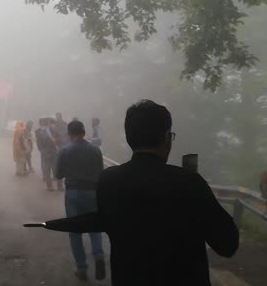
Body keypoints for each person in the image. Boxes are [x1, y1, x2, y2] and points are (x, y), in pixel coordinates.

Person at [36, 100, 239, 286]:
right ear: (167, 138)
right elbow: (227, 245)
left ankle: (82, 266)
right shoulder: (190, 183)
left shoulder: (110, 181)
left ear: (129, 137)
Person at [56, 120, 106, 281]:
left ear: (69, 134)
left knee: (75, 232)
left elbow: (58, 174)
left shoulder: (65, 151)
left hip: (73, 194)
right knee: (94, 227)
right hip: (92, 193)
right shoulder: (95, 150)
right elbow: (101, 173)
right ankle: (98, 254)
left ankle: (82, 268)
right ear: (84, 132)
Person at [35, 118, 62, 190]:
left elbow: (60, 137)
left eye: (47, 123)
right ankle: (49, 186)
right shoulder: (38, 131)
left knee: (56, 170)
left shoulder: (53, 130)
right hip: (45, 153)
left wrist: (56, 140)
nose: (45, 124)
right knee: (46, 171)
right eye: (44, 123)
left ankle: (60, 186)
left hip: (54, 152)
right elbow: (39, 144)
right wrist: (44, 152)